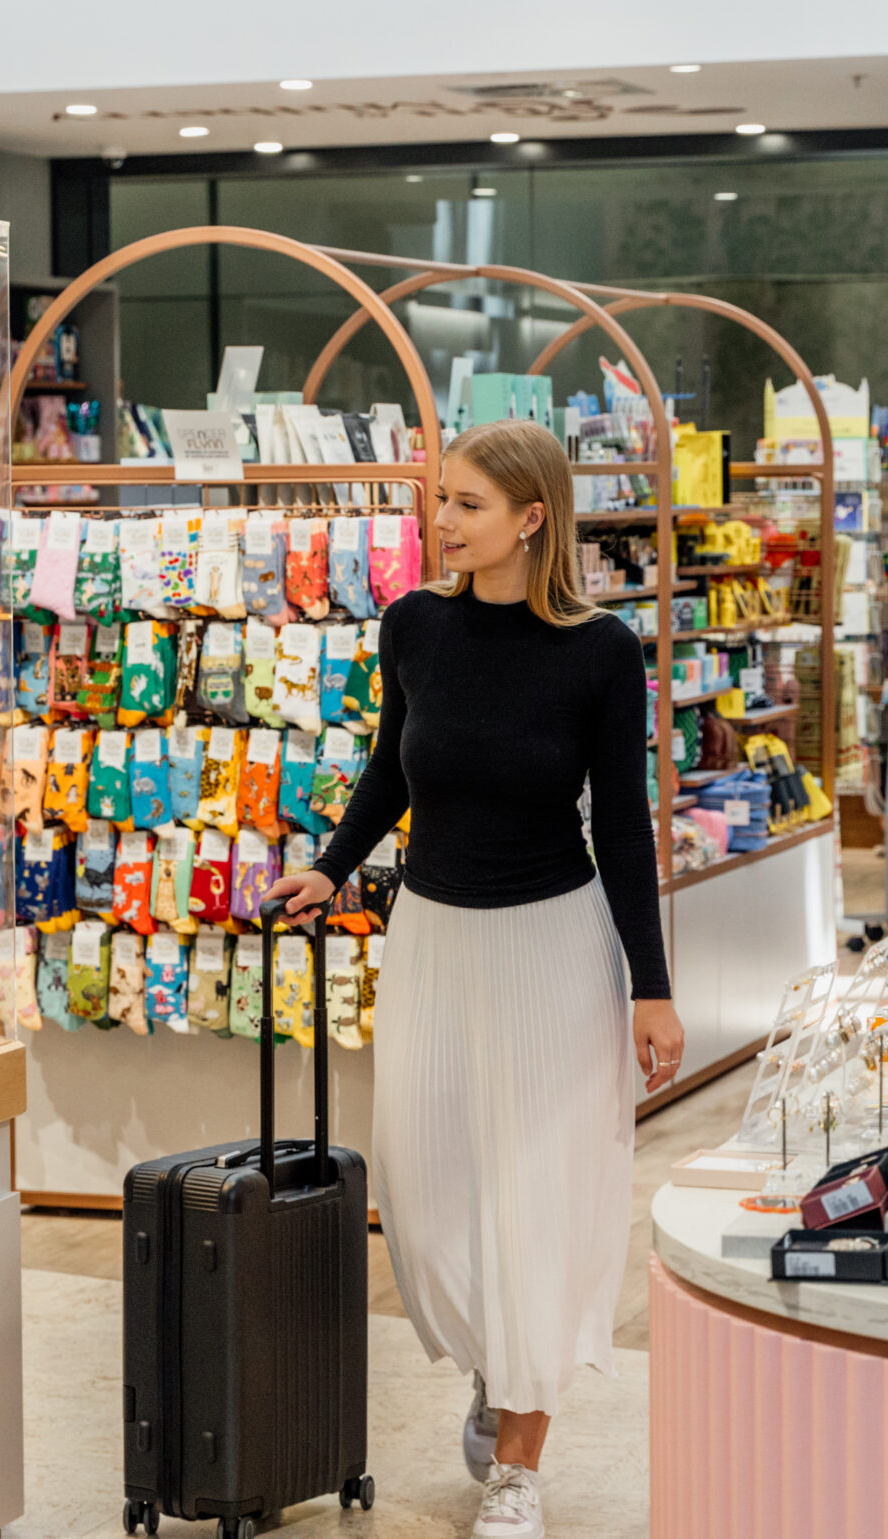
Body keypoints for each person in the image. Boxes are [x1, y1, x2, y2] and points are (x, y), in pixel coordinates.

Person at [267, 418, 682, 1539]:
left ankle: (520, 1466)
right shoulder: (412, 626)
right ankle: (497, 1363)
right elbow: (390, 770)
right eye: (438, 499)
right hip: (434, 946)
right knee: (429, 1197)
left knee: (540, 1201)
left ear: (530, 519)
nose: (437, 521)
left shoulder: (599, 651)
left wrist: (651, 986)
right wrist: (329, 865)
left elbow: (627, 834)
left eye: (463, 504)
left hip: (553, 948)